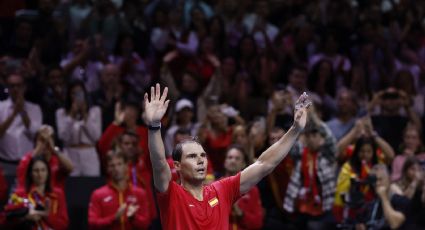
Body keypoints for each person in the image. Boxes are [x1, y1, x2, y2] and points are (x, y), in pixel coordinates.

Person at [144, 84, 309, 229]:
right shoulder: (171, 193)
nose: (201, 160)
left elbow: (264, 164)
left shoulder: (221, 190)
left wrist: (294, 130)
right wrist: (154, 126)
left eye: (203, 155)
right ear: (177, 165)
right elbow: (158, 163)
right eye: (192, 156)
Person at [283, 107, 337, 230]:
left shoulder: (327, 155)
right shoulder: (299, 153)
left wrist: (315, 118)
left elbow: (330, 140)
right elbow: (291, 141)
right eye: (308, 135)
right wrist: (299, 122)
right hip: (301, 206)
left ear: (321, 138)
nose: (311, 138)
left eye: (315, 135)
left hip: (323, 207)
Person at [88, 150, 151, 230]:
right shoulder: (98, 194)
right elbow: (92, 223)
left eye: (119, 164)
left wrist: (133, 217)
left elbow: (146, 224)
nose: (116, 168)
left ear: (126, 166)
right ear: (107, 169)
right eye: (112, 165)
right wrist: (114, 218)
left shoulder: (139, 193)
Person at [5, 156, 69, 230]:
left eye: (43, 170)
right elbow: (6, 222)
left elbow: (64, 225)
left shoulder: (57, 194)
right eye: (36, 170)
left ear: (48, 172)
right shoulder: (20, 194)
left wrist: (46, 216)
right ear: (30, 173)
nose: (40, 174)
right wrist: (25, 217)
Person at [56, 80, 102, 176]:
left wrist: (85, 115)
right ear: (69, 95)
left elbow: (96, 136)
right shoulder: (61, 113)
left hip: (89, 154)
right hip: (70, 153)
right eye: (73, 93)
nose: (76, 96)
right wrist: (72, 115)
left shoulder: (95, 111)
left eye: (80, 93)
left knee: (91, 185)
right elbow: (63, 136)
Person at [0, 73, 42, 174]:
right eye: (12, 86)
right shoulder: (0, 107)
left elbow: (35, 134)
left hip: (28, 163)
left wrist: (22, 111)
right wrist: (13, 114)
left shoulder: (34, 108)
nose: (15, 89)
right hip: (5, 163)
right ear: (7, 88)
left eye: (19, 85)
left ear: (24, 87)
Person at [17, 125, 73, 191]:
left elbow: (70, 168)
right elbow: (24, 171)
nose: (46, 143)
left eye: (49, 139)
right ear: (36, 142)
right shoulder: (27, 159)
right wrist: (39, 148)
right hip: (34, 198)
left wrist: (53, 149)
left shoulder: (58, 159)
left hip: (55, 199)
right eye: (42, 139)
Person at [224, 145, 264, 230]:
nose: (233, 161)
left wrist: (241, 214)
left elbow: (257, 223)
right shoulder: (215, 188)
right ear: (225, 162)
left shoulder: (252, 190)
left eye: (237, 158)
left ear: (243, 164)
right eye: (230, 157)